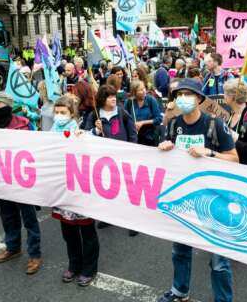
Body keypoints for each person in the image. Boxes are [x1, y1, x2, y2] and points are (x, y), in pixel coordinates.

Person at [157, 77, 238, 302]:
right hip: (184, 198)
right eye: (178, 95)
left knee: (219, 261)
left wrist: (210, 153)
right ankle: (179, 291)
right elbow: (167, 160)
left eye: (188, 94)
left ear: (199, 98)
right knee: (180, 250)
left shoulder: (215, 124)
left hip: (216, 200)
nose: (183, 99)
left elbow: (234, 159)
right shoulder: (172, 125)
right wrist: (164, 148)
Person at [0, 92, 43, 274]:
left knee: (29, 219)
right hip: (2, 180)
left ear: (6, 107)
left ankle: (34, 254)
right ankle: (13, 248)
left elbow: (35, 150)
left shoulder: (24, 125)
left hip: (22, 181)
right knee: (7, 217)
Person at [50, 96, 100, 286]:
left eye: (63, 112)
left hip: (80, 192)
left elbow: (92, 148)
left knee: (87, 232)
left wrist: (88, 136)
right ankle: (74, 265)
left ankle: (89, 268)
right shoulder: (51, 133)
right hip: (62, 192)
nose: (59, 116)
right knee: (68, 232)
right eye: (57, 112)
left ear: (72, 114)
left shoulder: (80, 132)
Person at [84, 85, 138, 235]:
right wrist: (96, 130)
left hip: (123, 156)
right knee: (108, 189)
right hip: (104, 160)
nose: (113, 98)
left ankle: (133, 222)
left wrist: (132, 149)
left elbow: (132, 131)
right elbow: (86, 135)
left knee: (127, 189)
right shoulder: (95, 115)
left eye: (114, 95)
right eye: (109, 96)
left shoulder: (121, 112)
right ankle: (109, 217)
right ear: (102, 99)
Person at [124, 80, 163, 147]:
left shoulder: (151, 100)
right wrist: (132, 125)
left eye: (144, 88)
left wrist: (142, 123)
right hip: (134, 137)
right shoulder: (129, 102)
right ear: (134, 92)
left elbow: (159, 119)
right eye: (140, 90)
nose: (144, 91)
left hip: (150, 138)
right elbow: (124, 119)